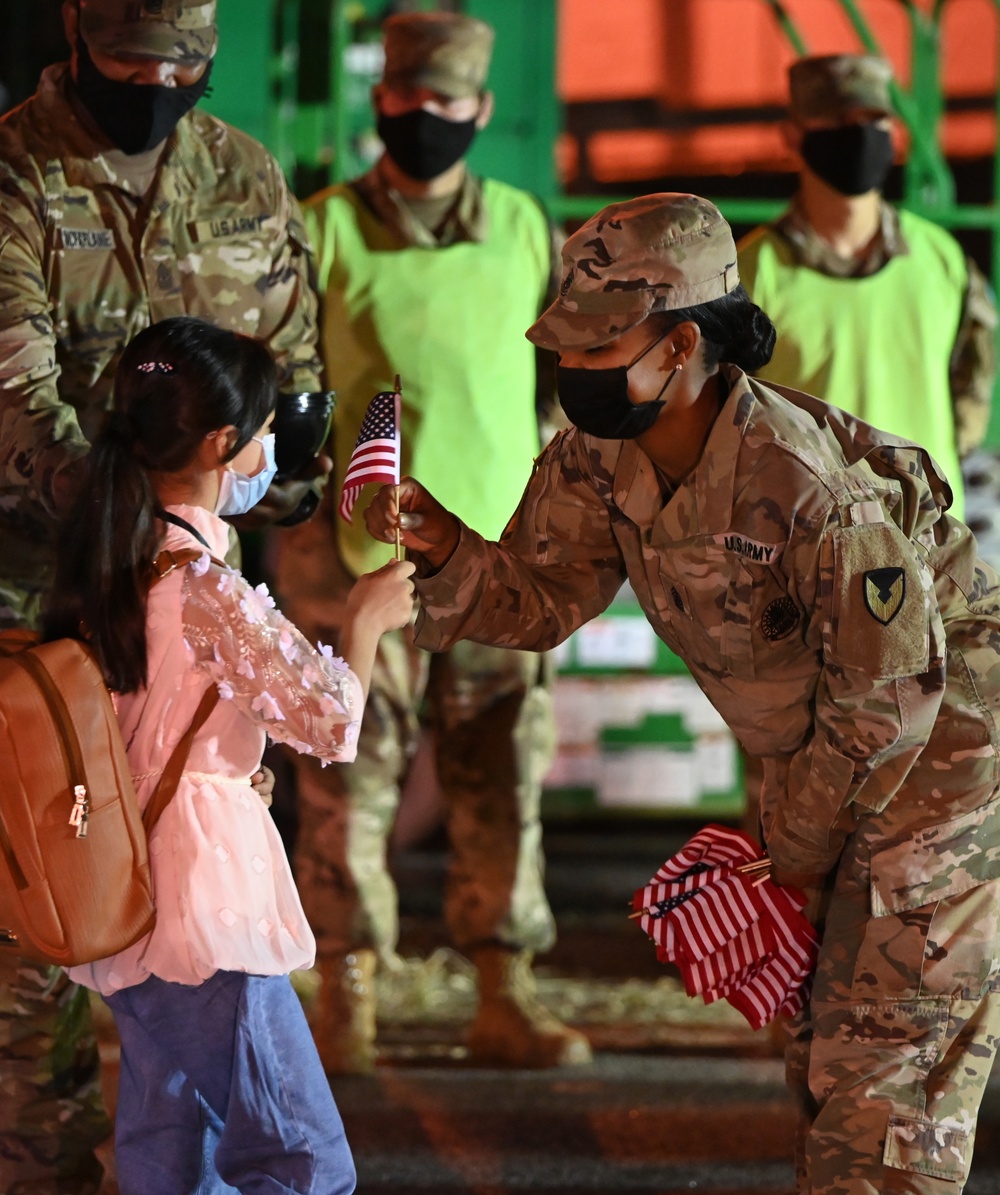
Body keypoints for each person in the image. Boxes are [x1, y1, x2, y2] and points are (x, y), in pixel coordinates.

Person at [365, 192, 1000, 1194]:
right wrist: (445, 543)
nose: (574, 370)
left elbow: (890, 698)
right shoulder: (600, 454)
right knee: (826, 1068)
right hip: (826, 765)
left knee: (886, 1096)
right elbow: (538, 599)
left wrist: (788, 846)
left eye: (601, 345)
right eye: (566, 347)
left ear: (685, 345)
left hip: (941, 776)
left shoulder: (804, 484)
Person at [0, 3, 326, 1189]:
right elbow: (12, 391)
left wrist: (284, 470)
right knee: (43, 939)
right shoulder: (15, 171)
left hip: (187, 613)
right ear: (78, 31)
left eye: (183, 62)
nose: (158, 81)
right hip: (41, 618)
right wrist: (136, 520)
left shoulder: (241, 172)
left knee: (175, 930)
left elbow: (292, 366)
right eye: (134, 59)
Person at [276, 10, 587, 1072]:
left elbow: (562, 389)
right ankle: (346, 997)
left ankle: (504, 992)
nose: (423, 119)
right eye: (405, 100)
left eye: (444, 104)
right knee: (344, 780)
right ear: (379, 104)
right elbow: (293, 396)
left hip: (498, 563)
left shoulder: (523, 224)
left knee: (503, 774)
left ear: (481, 111)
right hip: (354, 561)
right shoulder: (322, 226)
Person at [42, 315, 415, 1194]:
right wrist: (364, 621)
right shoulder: (203, 586)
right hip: (206, 914)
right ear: (221, 443)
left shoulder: (113, 559)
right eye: (261, 431)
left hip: (129, 904)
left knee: (170, 1152)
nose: (272, 447)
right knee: (303, 1161)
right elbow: (327, 718)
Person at [738, 53, 997, 522]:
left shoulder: (940, 259)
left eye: (873, 119)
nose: (857, 134)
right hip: (811, 545)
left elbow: (972, 381)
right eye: (837, 120)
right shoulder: (754, 271)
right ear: (793, 137)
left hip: (932, 542)